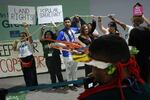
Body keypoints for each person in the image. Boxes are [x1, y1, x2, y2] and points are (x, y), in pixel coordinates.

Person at [78, 34, 150, 100]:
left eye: (94, 65)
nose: (92, 70)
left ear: (110, 69)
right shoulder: (145, 88)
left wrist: (90, 91)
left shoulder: (92, 98)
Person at [57, 17, 80, 89]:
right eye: (65, 22)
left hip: (75, 52)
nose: (67, 23)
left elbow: (80, 28)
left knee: (75, 69)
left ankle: (75, 82)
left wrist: (78, 20)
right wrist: (66, 45)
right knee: (69, 70)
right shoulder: (61, 32)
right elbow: (57, 43)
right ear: (64, 23)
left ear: (70, 23)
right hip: (67, 54)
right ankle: (70, 84)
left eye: (68, 22)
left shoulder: (73, 29)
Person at [13, 23, 38, 87]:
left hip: (29, 58)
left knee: (32, 73)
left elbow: (30, 37)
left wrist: (26, 28)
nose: (22, 37)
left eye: (23, 36)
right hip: (22, 59)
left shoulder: (29, 42)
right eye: (21, 36)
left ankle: (35, 86)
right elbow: (14, 49)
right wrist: (15, 43)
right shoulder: (19, 43)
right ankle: (28, 86)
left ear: (26, 36)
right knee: (26, 73)